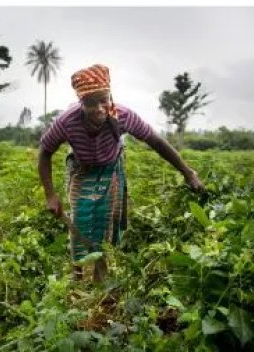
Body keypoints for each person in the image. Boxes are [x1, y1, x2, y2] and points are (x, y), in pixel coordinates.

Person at [39, 64, 204, 282]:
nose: (99, 108)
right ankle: (77, 274)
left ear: (110, 96)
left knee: (108, 218)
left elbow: (156, 141)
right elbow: (45, 153)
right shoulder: (67, 121)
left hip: (111, 166)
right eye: (90, 102)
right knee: (80, 216)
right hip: (82, 167)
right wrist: (50, 195)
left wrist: (188, 173)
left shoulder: (124, 116)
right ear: (81, 102)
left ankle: (101, 274)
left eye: (103, 100)